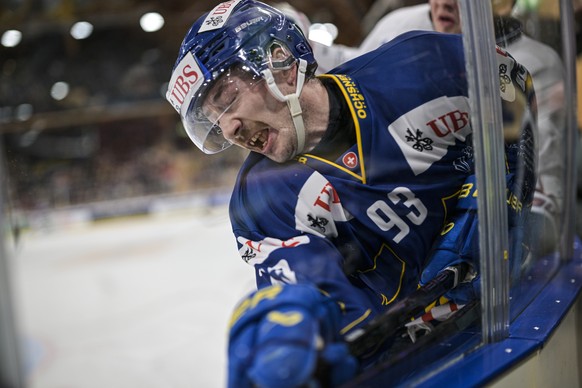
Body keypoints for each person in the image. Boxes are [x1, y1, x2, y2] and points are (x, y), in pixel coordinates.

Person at [165, 0, 536, 386]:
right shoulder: (262, 201)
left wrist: (498, 200)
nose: (229, 129)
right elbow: (316, 295)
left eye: (226, 99)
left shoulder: (425, 66)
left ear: (280, 63)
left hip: (505, 319)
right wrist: (292, 325)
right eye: (214, 119)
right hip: (414, 366)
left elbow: (510, 87)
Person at [311, 0, 565, 256]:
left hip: (441, 241)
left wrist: (474, 250)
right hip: (364, 209)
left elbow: (541, 201)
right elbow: (350, 74)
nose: (444, 2)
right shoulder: (399, 24)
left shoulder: (532, 65)